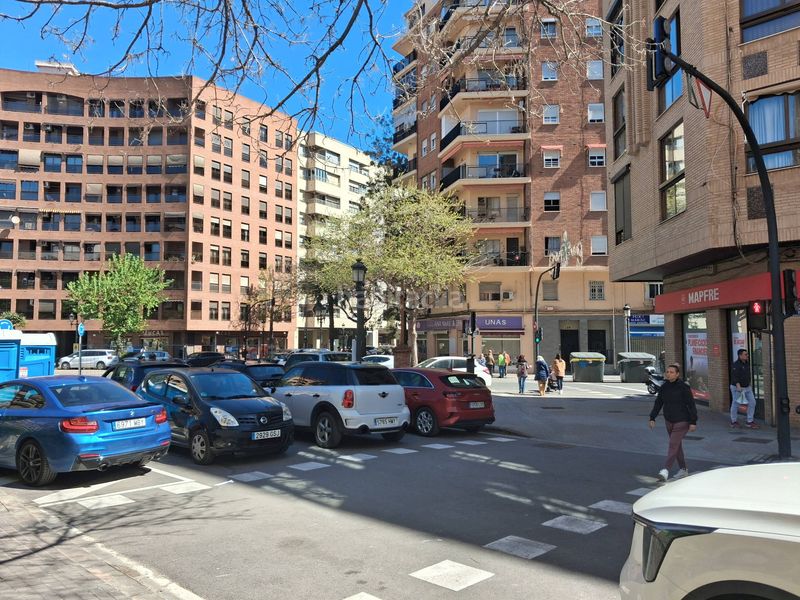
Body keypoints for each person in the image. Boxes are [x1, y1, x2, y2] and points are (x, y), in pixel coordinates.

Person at [649, 363, 698, 482]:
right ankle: (683, 469)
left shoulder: (683, 387)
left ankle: (666, 470)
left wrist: (693, 422)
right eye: (667, 372)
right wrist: (652, 417)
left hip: (682, 420)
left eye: (671, 372)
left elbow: (691, 405)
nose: (668, 374)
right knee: (677, 446)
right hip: (669, 420)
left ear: (677, 374)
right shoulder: (664, 387)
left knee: (673, 444)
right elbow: (658, 403)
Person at [730, 348, 758, 429]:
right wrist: (738, 386)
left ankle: (749, 421)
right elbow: (735, 376)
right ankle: (733, 421)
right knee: (736, 404)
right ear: (740, 355)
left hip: (747, 387)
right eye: (745, 354)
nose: (747, 356)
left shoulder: (746, 363)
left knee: (752, 402)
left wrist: (749, 384)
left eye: (747, 354)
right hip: (737, 388)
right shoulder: (736, 365)